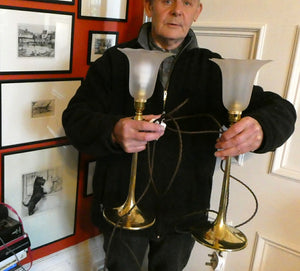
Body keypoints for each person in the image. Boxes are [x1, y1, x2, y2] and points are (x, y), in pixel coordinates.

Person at [62, 0, 296, 270]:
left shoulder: (214, 68)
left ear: (197, 12)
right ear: (149, 7)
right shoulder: (114, 61)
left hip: (185, 214)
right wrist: (113, 130)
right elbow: (75, 119)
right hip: (122, 211)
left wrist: (262, 127)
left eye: (187, 2)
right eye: (166, 1)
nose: (177, 10)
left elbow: (282, 110)